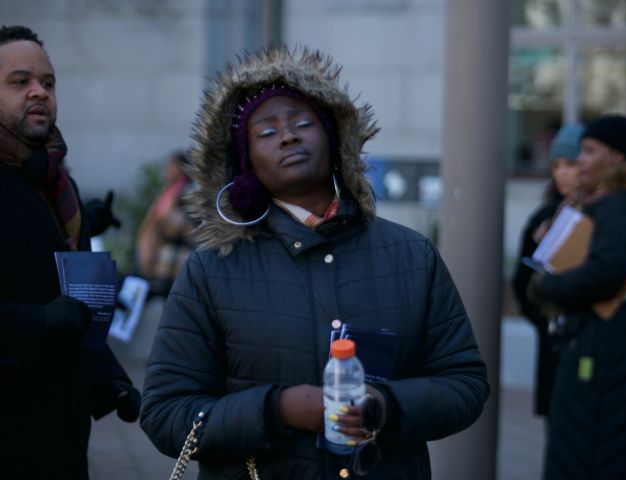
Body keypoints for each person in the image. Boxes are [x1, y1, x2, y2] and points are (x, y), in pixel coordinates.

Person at [140, 46, 490, 479]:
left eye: (303, 123)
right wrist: (276, 409)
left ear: (335, 140)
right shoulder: (212, 269)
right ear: (246, 168)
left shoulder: (412, 255)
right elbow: (165, 413)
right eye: (266, 132)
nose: (288, 136)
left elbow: (465, 384)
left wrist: (386, 406)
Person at [0, 25, 140, 479]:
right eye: (20, 82)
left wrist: (110, 380)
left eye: (48, 82)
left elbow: (78, 301)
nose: (39, 92)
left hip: (63, 435)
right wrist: (35, 321)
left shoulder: (60, 184)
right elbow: (50, 313)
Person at [535, 114, 626, 479]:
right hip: (611, 348)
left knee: (601, 450)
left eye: (588, 151)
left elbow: (603, 273)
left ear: (616, 157)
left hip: (609, 353)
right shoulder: (613, 205)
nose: (580, 160)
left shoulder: (621, 207)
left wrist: (547, 286)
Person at [511, 122, 582, 418]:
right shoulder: (542, 217)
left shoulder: (600, 216)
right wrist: (546, 321)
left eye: (571, 163)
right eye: (557, 165)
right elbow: (521, 281)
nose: (563, 172)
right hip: (554, 343)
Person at [135, 150, 196, 296]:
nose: (167, 168)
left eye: (171, 164)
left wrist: (159, 231)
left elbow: (182, 225)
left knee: (167, 298)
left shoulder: (187, 191)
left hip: (173, 259)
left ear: (182, 167)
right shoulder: (171, 189)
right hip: (161, 253)